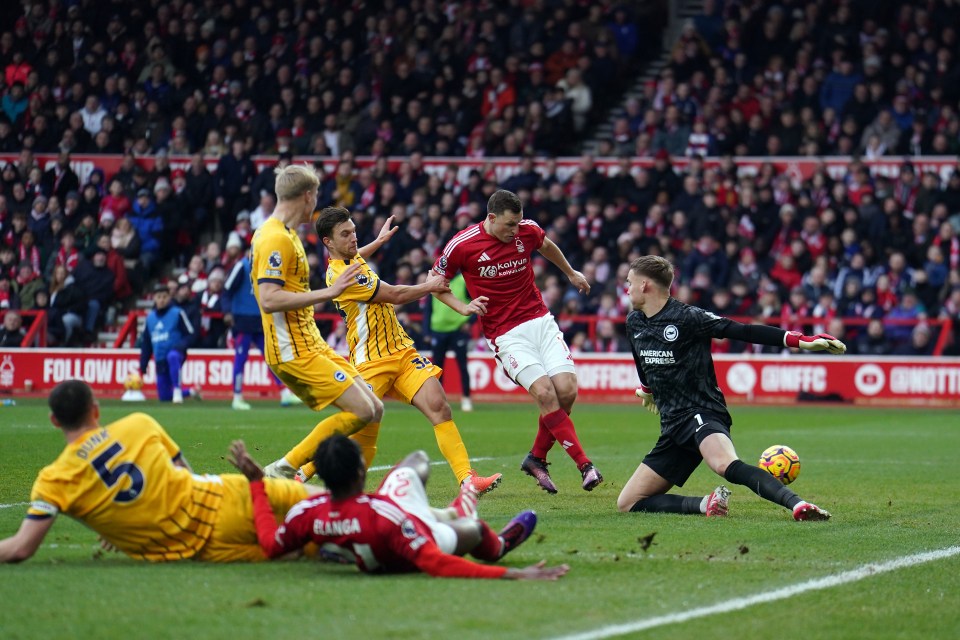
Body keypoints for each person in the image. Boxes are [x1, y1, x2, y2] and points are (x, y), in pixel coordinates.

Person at [618, 256, 844, 521]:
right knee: (629, 502)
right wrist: (647, 389)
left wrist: (802, 340)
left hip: (701, 412)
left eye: (629, 282)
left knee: (725, 465)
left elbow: (744, 331)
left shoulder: (688, 317)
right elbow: (641, 358)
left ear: (645, 285)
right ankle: (706, 504)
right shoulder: (634, 322)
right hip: (672, 426)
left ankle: (799, 505)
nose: (626, 288)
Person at [0, 380, 318, 563]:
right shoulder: (139, 422)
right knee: (334, 506)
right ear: (95, 409)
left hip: (207, 545)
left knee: (312, 550)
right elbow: (184, 472)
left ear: (55, 421)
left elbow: (20, 547)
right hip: (225, 494)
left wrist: (125, 521)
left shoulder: (54, 479)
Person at [299, 207, 500, 494]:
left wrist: (378, 243)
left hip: (401, 351)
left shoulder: (350, 259)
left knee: (439, 405)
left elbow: (358, 256)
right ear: (328, 242)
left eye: (354, 230)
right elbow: (394, 295)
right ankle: (302, 471)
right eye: (345, 234)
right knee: (355, 429)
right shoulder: (342, 275)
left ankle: (468, 481)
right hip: (370, 360)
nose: (353, 238)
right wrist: (430, 286)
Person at [432, 189, 602, 493]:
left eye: (518, 224)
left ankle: (536, 458)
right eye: (510, 225)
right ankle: (585, 465)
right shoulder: (462, 245)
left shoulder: (527, 231)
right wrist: (463, 307)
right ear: (492, 218)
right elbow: (436, 284)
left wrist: (570, 273)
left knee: (567, 392)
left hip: (540, 320)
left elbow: (546, 245)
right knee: (545, 393)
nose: (515, 231)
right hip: (506, 333)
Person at [227, 434, 569, 580]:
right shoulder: (385, 518)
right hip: (405, 535)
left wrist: (257, 484)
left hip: (379, 512)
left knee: (416, 462)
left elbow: (271, 545)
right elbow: (436, 563)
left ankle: (456, 507)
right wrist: (512, 573)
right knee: (474, 530)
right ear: (361, 472)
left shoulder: (309, 513)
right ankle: (495, 538)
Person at [251, 164, 383, 480]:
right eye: (317, 195)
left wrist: (375, 244)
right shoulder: (275, 239)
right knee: (362, 410)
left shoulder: (285, 234)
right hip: (293, 348)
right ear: (308, 195)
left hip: (310, 343)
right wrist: (331, 292)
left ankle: (334, 480)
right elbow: (268, 299)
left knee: (375, 408)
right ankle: (282, 469)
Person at [222, 250, 300, 409]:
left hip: (261, 318)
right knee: (241, 358)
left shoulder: (266, 269)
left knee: (272, 356)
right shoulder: (242, 266)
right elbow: (226, 290)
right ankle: (237, 397)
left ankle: (284, 393)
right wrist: (227, 312)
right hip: (243, 320)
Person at [424, 273, 475, 412]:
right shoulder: (434, 281)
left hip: (458, 330)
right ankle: (438, 400)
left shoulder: (462, 281)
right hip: (438, 330)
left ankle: (466, 398)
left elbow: (476, 301)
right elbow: (429, 308)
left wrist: (470, 322)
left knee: (463, 366)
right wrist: (427, 331)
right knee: (437, 368)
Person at [139, 283, 198, 403]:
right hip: (159, 357)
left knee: (173, 356)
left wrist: (181, 346)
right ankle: (192, 391)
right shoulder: (150, 318)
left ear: (169, 298)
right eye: (159, 297)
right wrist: (143, 364)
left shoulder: (177, 313)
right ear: (154, 298)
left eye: (164, 297)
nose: (161, 300)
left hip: (176, 352)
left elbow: (191, 333)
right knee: (164, 397)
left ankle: (177, 389)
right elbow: (146, 343)